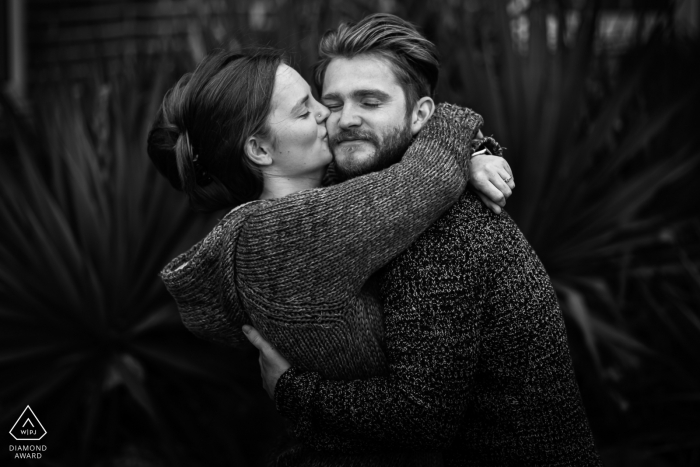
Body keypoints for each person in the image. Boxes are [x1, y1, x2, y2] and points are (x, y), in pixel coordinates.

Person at [242, 13, 603, 466]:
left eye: (370, 102)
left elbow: (421, 416)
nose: (346, 119)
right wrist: (468, 152)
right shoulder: (353, 194)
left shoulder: (445, 231)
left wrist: (292, 390)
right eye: (332, 104)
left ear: (421, 117)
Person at [147, 49, 511, 464]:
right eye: (305, 112)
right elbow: (427, 178)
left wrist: (472, 155)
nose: (327, 113)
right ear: (260, 151)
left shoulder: (308, 209)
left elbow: (398, 177)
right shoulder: (279, 236)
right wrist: (451, 124)